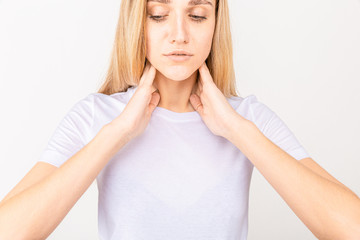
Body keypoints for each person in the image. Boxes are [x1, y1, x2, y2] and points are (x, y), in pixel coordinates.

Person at [0, 0, 359, 239]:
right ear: (137, 22)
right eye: (158, 14)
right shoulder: (98, 117)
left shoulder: (247, 118)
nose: (179, 35)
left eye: (197, 15)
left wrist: (236, 131)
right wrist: (118, 133)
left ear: (216, 22)